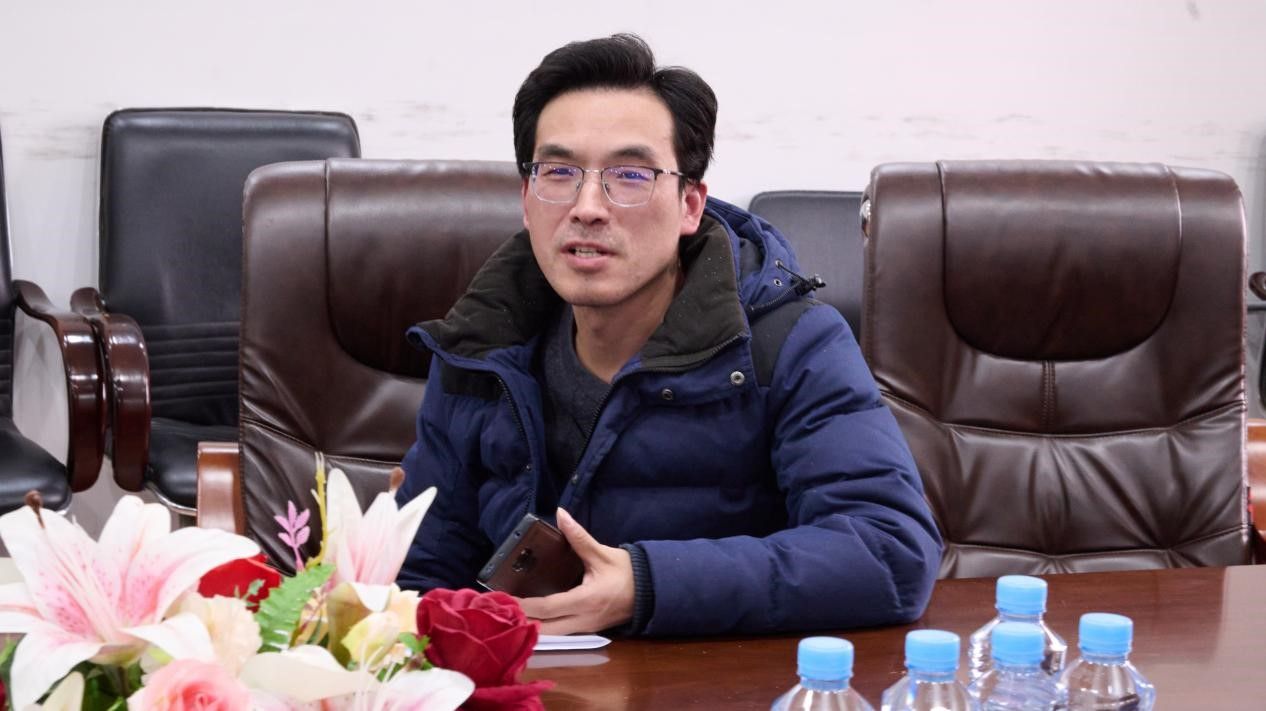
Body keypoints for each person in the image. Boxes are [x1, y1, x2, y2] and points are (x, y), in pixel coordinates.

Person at [395, 33, 942, 637]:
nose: (587, 207)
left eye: (630, 175)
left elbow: (889, 551)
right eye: (560, 172)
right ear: (527, 199)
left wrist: (646, 584)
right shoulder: (481, 348)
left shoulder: (789, 344)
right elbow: (417, 578)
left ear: (690, 205)